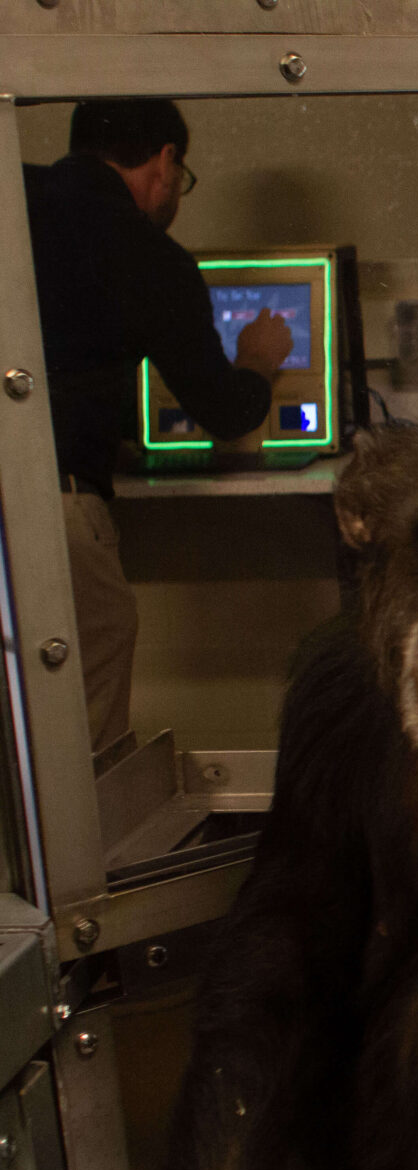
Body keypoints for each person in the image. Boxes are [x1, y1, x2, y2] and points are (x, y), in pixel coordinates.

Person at [24, 99, 292, 754]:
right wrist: (258, 361)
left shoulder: (16, 196)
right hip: (50, 503)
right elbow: (228, 413)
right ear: (165, 163)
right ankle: (87, 852)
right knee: (83, 688)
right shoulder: (150, 256)